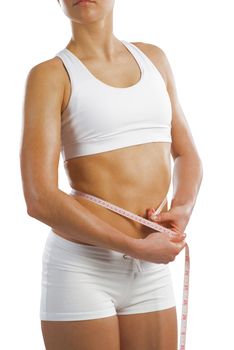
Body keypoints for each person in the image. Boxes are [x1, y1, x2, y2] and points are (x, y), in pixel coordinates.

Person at [19, 0, 203, 349]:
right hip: (82, 270)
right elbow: (39, 198)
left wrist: (183, 207)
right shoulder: (50, 76)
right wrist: (135, 246)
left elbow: (186, 153)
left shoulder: (155, 60)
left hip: (149, 267)